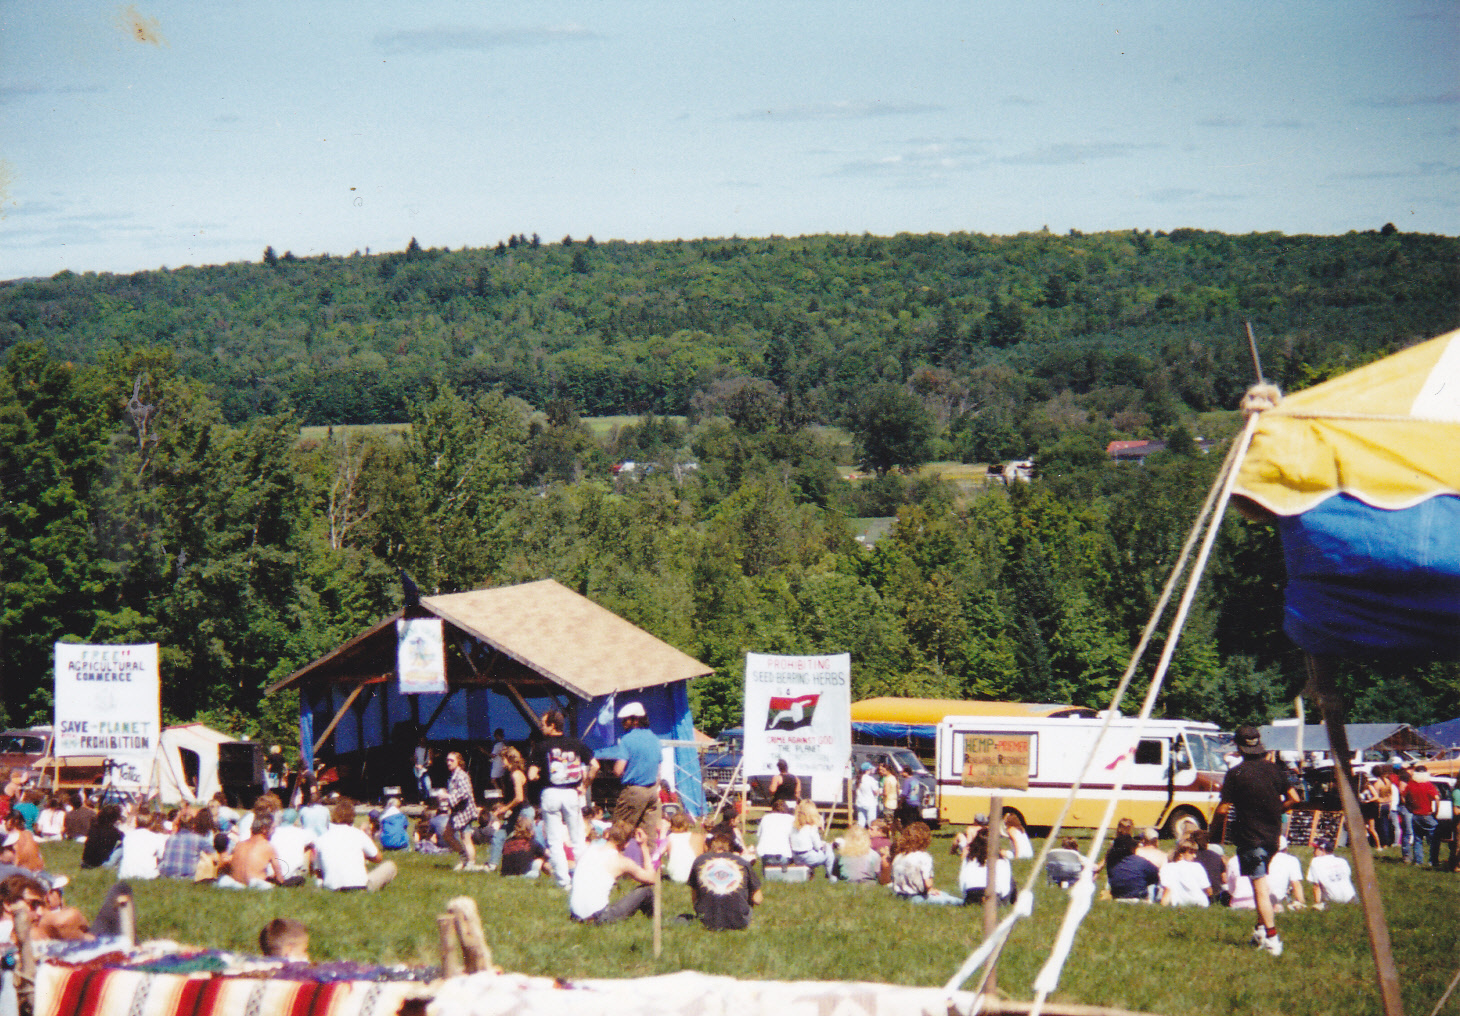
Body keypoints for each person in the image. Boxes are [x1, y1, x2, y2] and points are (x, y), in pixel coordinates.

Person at [1214, 724, 1299, 957]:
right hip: (1273, 837)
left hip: (1250, 837)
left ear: (1238, 748)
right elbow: (1294, 797)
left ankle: (1272, 939)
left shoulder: (1236, 774)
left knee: (1259, 887)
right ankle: (1260, 930)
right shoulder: (1275, 771)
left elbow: (1223, 810)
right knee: (1260, 881)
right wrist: (1276, 808)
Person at [528, 709, 598, 889]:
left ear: (552, 726)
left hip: (551, 792)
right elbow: (595, 766)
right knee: (577, 838)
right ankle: (583, 877)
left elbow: (531, 774)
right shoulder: (576, 743)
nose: (542, 727)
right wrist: (584, 785)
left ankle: (563, 881)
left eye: (544, 724)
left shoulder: (541, 747)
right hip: (571, 793)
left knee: (554, 840)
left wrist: (536, 775)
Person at [568, 820, 657, 925]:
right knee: (646, 891)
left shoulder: (590, 849)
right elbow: (651, 878)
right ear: (627, 843)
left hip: (575, 915)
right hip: (599, 917)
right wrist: (644, 846)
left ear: (607, 835)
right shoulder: (621, 861)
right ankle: (656, 921)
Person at [311, 797, 397, 891]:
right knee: (390, 866)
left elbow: (318, 871)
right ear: (352, 817)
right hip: (360, 886)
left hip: (332, 887)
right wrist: (363, 854)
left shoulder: (321, 839)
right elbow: (378, 858)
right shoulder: (358, 834)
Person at [687, 827, 763, 930]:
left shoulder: (700, 861)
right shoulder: (742, 862)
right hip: (739, 921)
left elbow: (694, 896)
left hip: (706, 920)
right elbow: (758, 899)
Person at [606, 702, 661, 841]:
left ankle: (617, 859)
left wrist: (624, 774)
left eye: (626, 720)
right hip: (652, 791)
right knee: (646, 834)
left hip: (634, 791)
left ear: (635, 720)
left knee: (620, 830)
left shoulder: (627, 739)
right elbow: (659, 768)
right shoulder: (655, 739)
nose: (623, 723)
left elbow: (618, 770)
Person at [890, 822, 960, 904]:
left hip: (900, 895)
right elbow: (928, 884)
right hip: (917, 897)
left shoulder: (898, 857)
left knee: (943, 894)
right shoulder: (923, 857)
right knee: (956, 901)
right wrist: (930, 889)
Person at [220, 809, 284, 889]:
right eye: (273, 828)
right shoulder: (268, 847)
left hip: (236, 884)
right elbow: (280, 878)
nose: (274, 832)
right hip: (254, 885)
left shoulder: (239, 845)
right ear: (264, 829)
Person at [445, 750, 481, 871]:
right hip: (456, 812)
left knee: (466, 838)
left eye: (451, 760)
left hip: (464, 812)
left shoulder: (461, 775)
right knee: (447, 835)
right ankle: (464, 856)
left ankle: (471, 863)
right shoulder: (453, 775)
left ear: (458, 762)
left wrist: (448, 798)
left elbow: (465, 793)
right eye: (448, 760)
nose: (448, 762)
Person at [959, 828, 1013, 905]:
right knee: (1011, 880)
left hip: (971, 896)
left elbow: (962, 881)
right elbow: (1005, 887)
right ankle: (1014, 902)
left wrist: (965, 896)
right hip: (993, 895)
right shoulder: (1002, 860)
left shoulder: (969, 858)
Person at [159, 810, 216, 880]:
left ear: (179, 824)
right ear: (193, 825)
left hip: (168, 875)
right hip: (188, 877)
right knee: (206, 857)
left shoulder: (170, 838)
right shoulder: (198, 839)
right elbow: (214, 856)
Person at [1402, 765, 1441, 867]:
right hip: (1427, 814)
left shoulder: (1410, 785)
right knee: (1434, 839)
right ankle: (1433, 861)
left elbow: (1403, 796)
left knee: (1418, 839)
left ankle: (1418, 861)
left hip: (1415, 815)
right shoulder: (1428, 785)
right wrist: (1436, 811)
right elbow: (1437, 798)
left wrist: (1408, 807)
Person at [789, 799, 836, 880]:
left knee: (813, 850)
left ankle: (810, 877)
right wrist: (826, 845)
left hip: (796, 857)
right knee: (829, 853)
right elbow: (818, 846)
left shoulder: (793, 826)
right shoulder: (811, 827)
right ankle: (831, 877)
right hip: (808, 857)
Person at [116, 810, 168, 881]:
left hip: (125, 874)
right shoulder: (156, 837)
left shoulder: (128, 836)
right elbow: (162, 856)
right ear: (151, 823)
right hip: (147, 875)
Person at [1159, 839, 1211, 907]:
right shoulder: (1197, 866)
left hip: (1178, 904)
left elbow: (1167, 891)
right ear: (1181, 854)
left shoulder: (1167, 867)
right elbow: (1208, 890)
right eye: (1191, 853)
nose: (1194, 856)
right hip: (1199, 903)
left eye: (1195, 853)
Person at [1306, 837, 1356, 907]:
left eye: (1315, 849)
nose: (1313, 852)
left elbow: (1316, 886)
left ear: (1322, 850)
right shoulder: (1342, 861)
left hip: (1334, 901)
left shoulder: (1316, 861)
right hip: (1351, 898)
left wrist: (1317, 903)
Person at [270, 809, 313, 883]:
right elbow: (313, 844)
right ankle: (309, 872)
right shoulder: (302, 833)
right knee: (310, 847)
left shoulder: (272, 833)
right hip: (291, 874)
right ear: (296, 821)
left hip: (273, 872)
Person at [664, 811, 704, 884]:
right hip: (695, 877)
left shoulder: (668, 838)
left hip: (675, 877)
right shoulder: (698, 837)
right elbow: (700, 857)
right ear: (687, 824)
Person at [80, 803, 124, 869]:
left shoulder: (93, 828)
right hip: (103, 863)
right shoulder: (115, 832)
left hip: (86, 861)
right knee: (123, 845)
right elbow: (126, 840)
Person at [755, 799, 795, 869]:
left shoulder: (765, 818)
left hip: (766, 856)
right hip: (783, 856)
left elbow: (759, 835)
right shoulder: (791, 819)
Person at [854, 762, 878, 828]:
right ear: (868, 770)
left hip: (860, 803)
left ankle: (858, 836)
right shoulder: (871, 779)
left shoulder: (858, 779)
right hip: (870, 803)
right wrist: (880, 791)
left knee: (861, 822)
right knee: (871, 823)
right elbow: (875, 792)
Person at [414, 736, 434, 801]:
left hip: (425, 769)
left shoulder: (428, 749)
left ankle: (429, 799)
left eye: (423, 741)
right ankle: (422, 799)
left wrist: (426, 764)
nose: (422, 742)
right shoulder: (417, 749)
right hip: (418, 770)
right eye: (421, 741)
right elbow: (414, 759)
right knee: (420, 786)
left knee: (428, 785)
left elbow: (430, 761)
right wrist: (417, 765)